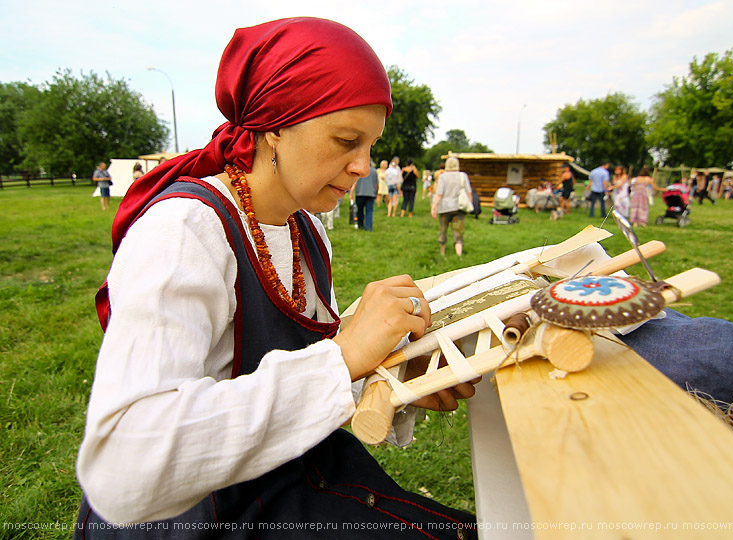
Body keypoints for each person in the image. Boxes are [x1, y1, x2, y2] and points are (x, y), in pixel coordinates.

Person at [73, 18, 477, 538]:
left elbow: (283, 378)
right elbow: (124, 466)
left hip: (289, 478)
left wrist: (392, 377)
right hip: (198, 516)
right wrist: (345, 356)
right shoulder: (183, 231)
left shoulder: (306, 227)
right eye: (346, 140)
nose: (362, 167)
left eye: (371, 145)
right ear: (274, 127)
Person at [431, 155, 471, 257]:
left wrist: (434, 207)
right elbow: (469, 192)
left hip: (444, 208)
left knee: (443, 230)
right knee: (458, 230)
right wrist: (469, 204)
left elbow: (439, 194)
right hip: (459, 207)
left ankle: (442, 252)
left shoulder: (442, 176)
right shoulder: (463, 176)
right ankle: (459, 254)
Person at [350, 163, 379, 231]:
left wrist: (351, 193)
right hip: (371, 193)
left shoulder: (359, 171)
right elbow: (377, 184)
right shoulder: (374, 171)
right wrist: (376, 193)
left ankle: (360, 225)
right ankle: (368, 227)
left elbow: (354, 183)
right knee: (369, 211)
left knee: (360, 210)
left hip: (360, 193)